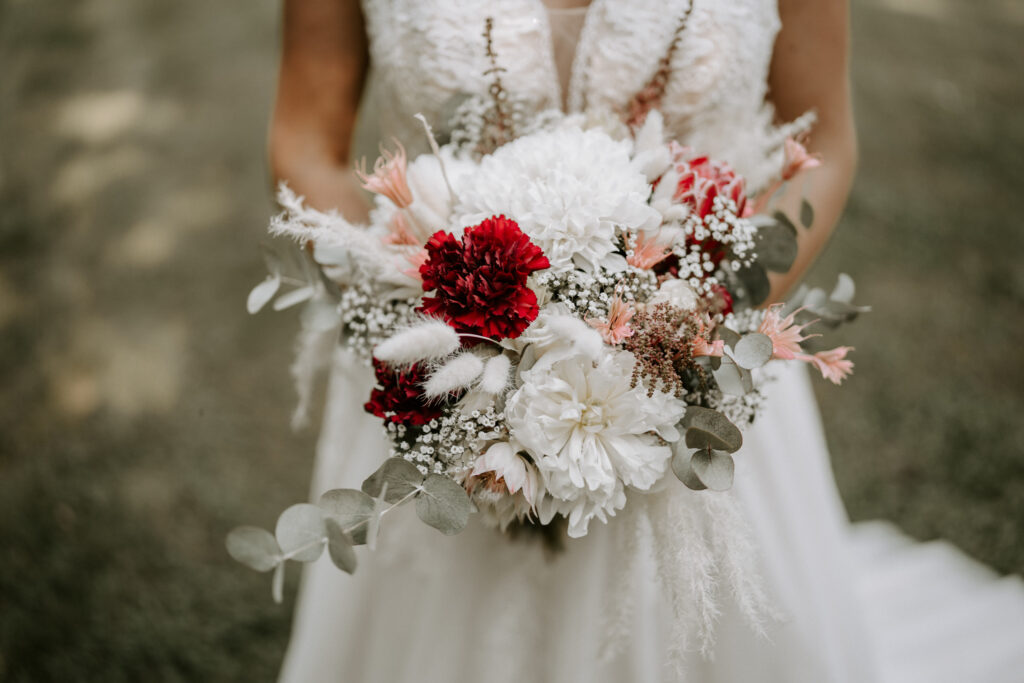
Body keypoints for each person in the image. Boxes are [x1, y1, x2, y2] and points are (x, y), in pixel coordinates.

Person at [269, 1, 1024, 681]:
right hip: (439, 371)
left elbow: (824, 139)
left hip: (702, 366)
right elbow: (307, 144)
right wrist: (422, 301)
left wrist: (692, 323)